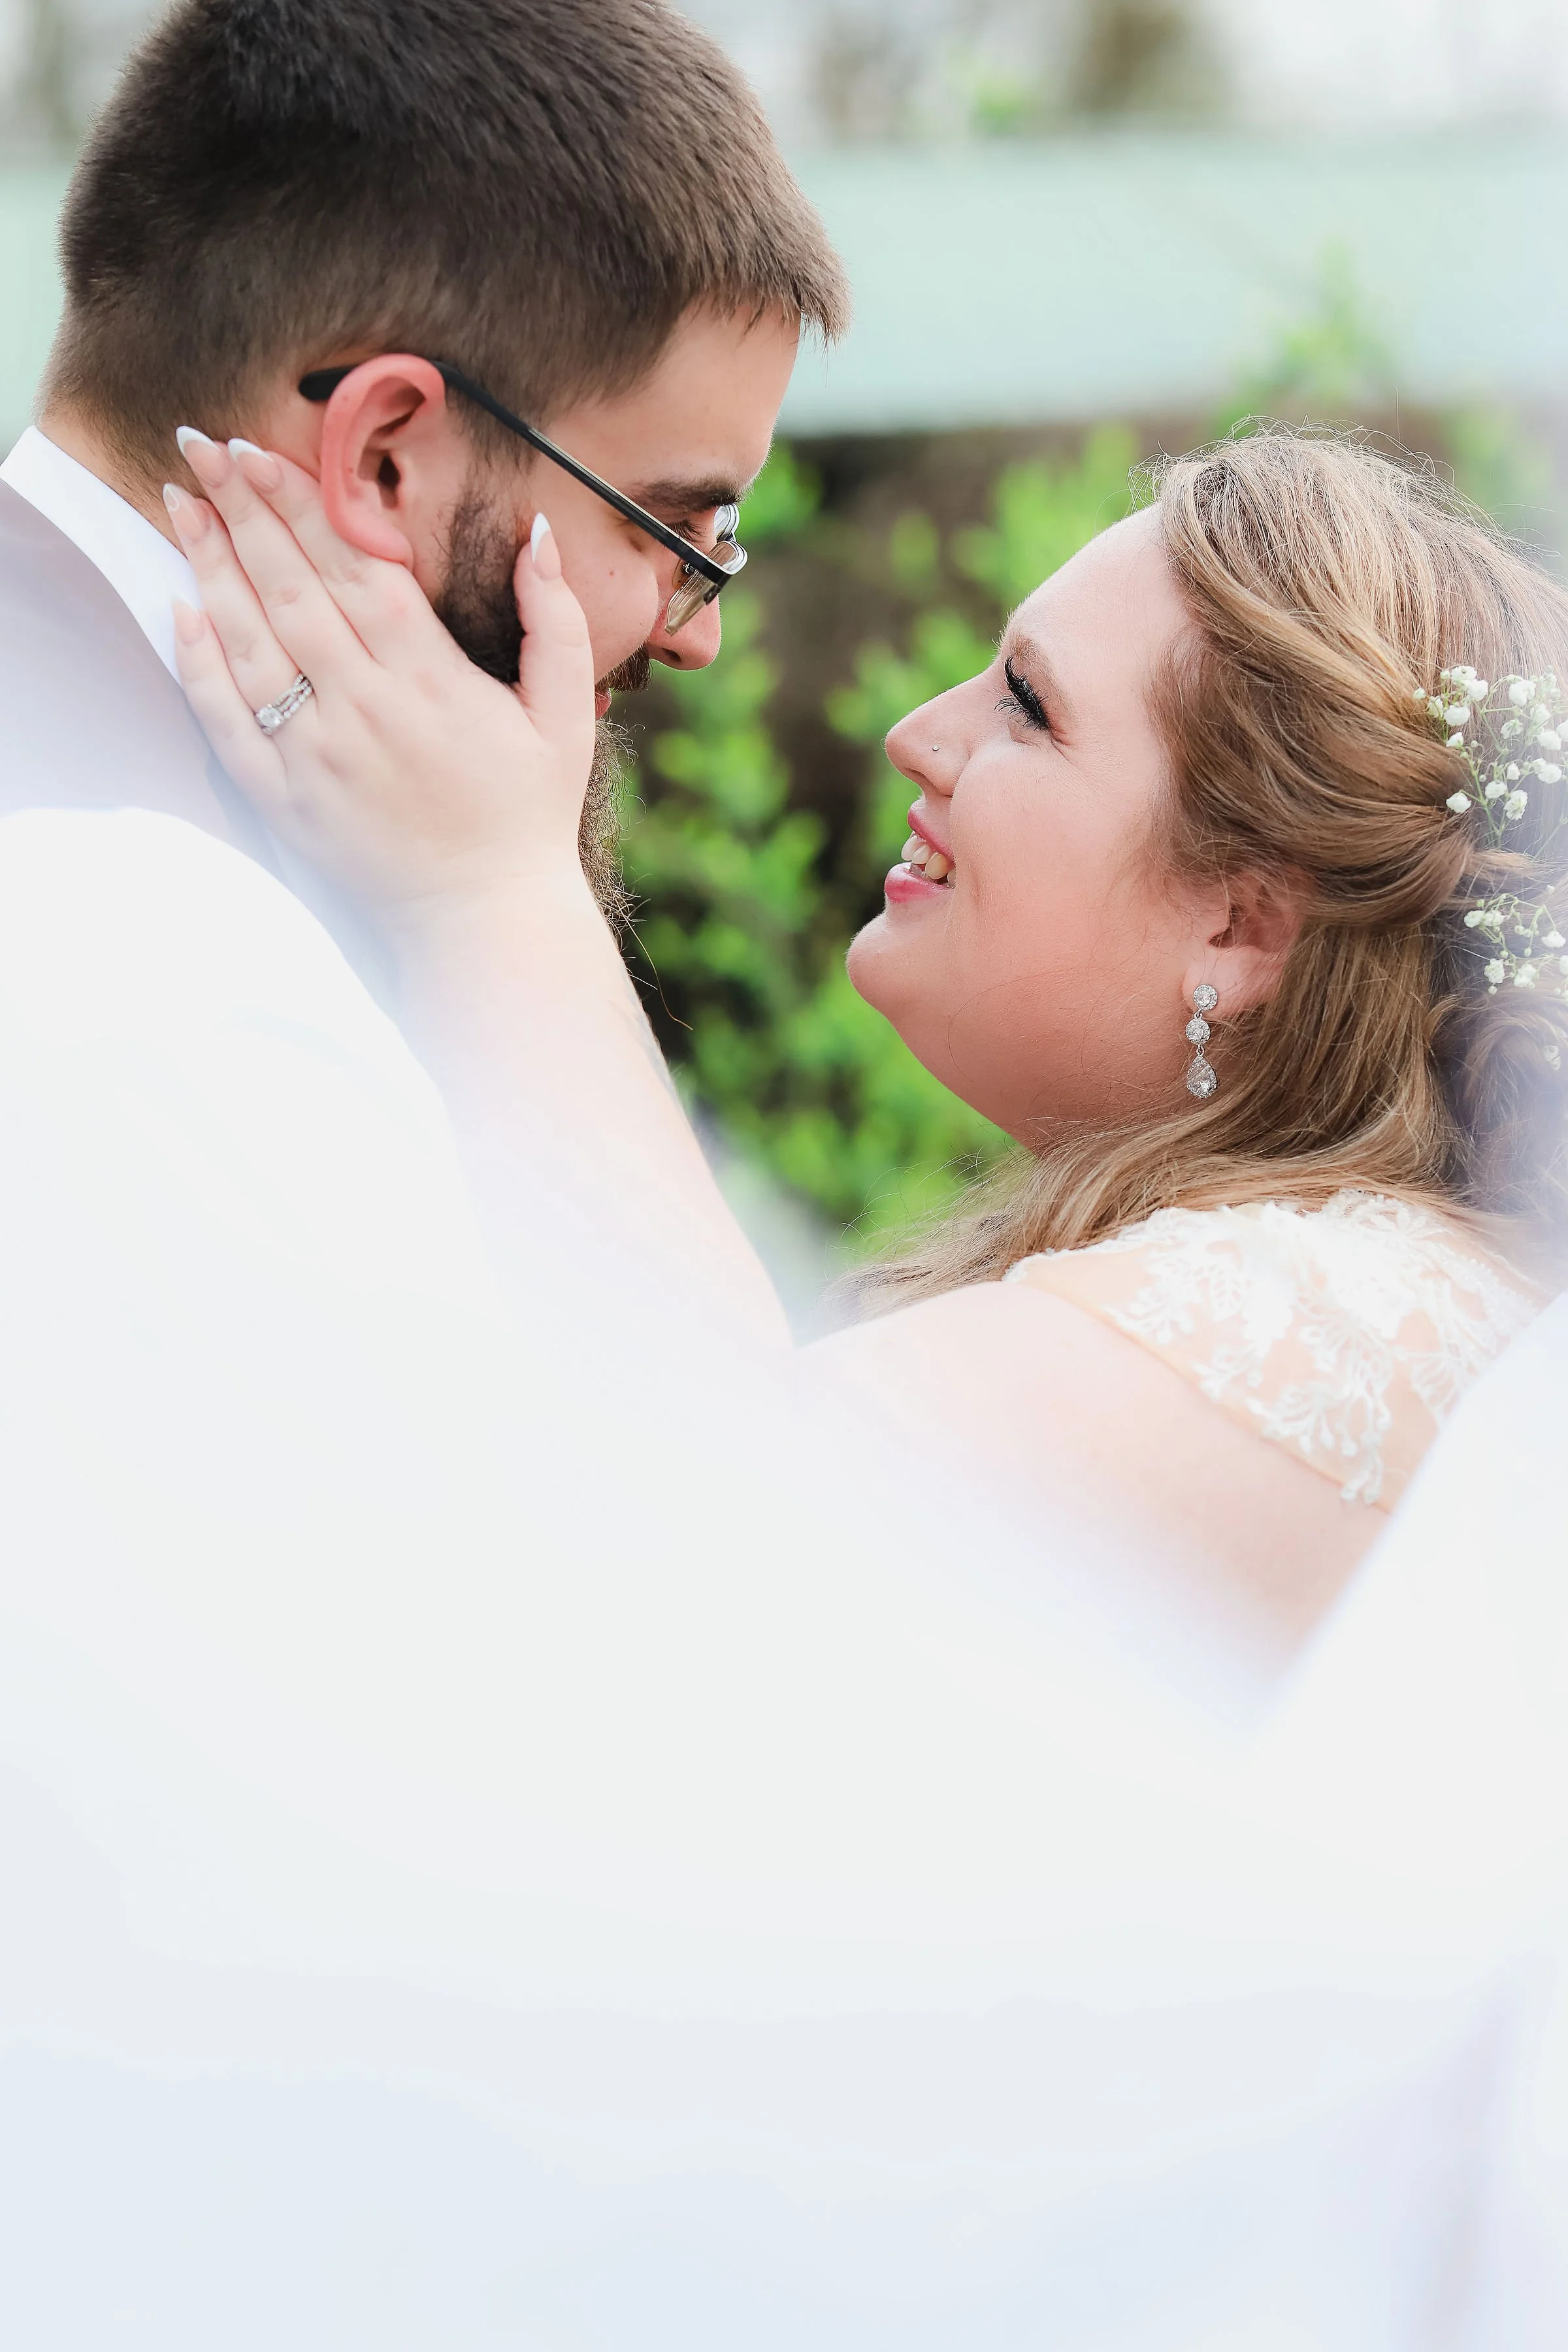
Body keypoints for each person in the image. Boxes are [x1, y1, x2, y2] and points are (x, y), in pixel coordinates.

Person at [171, 427, 1567, 1652]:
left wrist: (490, 893)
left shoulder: (1335, 1314)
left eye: (1028, 706)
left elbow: (707, 1568)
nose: (916, 735)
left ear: (1244, 928)